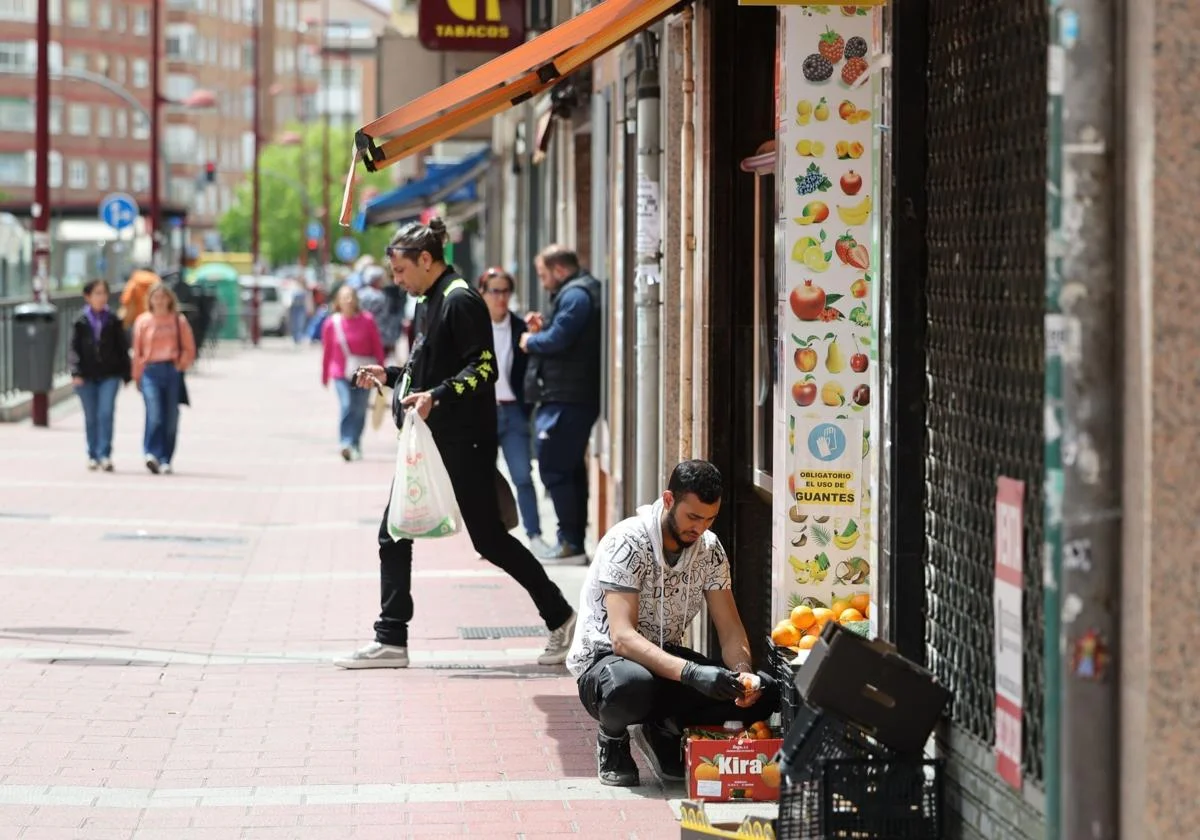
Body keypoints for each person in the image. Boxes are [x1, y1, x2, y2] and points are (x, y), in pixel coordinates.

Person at [336, 217, 577, 670]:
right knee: (396, 532)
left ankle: (562, 618)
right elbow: (427, 366)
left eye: (401, 270)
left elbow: (484, 369)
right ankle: (391, 638)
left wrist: (437, 396)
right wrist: (390, 374)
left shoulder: (460, 299)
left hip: (463, 443)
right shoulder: (428, 300)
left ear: (426, 260)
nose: (397, 280)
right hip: (432, 441)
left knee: (489, 540)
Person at [566, 460, 780, 787]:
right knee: (631, 686)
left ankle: (665, 728)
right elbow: (622, 638)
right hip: (607, 664)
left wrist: (743, 673)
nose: (700, 528)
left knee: (766, 693)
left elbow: (730, 629)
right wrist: (693, 673)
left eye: (709, 519)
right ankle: (612, 739)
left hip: (667, 661)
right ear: (668, 500)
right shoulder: (627, 542)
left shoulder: (709, 549)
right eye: (693, 517)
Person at [519, 245, 602, 562]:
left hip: (569, 399)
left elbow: (560, 339)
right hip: (567, 397)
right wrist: (544, 328)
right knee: (567, 469)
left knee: (556, 467)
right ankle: (571, 540)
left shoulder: (576, 295)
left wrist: (531, 340)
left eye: (543, 275)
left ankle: (570, 542)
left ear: (559, 269)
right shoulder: (574, 293)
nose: (542, 282)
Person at [477, 266, 545, 550]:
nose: (501, 298)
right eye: (495, 291)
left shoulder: (520, 328)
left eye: (506, 291)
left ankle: (534, 535)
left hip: (513, 412)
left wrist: (537, 334)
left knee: (522, 476)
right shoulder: (473, 328)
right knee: (484, 478)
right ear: (482, 293)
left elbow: (535, 366)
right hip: (482, 413)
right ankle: (490, 539)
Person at [131, 283, 196, 475]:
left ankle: (166, 458)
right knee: (154, 413)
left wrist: (181, 364)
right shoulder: (143, 321)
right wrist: (136, 375)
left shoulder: (178, 321)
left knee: (171, 417)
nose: (159, 301)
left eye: (163, 297)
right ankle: (151, 453)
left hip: (171, 369)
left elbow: (189, 348)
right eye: (155, 297)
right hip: (150, 371)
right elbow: (137, 351)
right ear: (150, 300)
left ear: (169, 299)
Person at [68, 279, 131, 472]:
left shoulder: (113, 320)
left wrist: (126, 373)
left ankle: (105, 455)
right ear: (87, 297)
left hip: (110, 375)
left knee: (105, 413)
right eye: (97, 293)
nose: (101, 297)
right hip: (86, 376)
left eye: (104, 293)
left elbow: (122, 348)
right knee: (91, 417)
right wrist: (76, 372)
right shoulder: (80, 321)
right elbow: (73, 349)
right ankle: (92, 455)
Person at [320, 284, 385, 461]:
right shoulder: (331, 323)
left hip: (364, 372)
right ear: (338, 301)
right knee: (347, 405)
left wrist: (382, 370)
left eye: (351, 297)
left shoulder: (367, 320)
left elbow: (377, 345)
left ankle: (356, 443)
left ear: (356, 300)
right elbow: (327, 351)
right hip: (340, 372)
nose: (348, 300)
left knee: (360, 409)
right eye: (344, 297)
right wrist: (325, 375)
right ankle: (346, 443)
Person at [119, 266, 160, 335]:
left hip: (135, 324)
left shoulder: (133, 283)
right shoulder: (157, 283)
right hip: (155, 325)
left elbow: (126, 303)